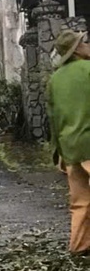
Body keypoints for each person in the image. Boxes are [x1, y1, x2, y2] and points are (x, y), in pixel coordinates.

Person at [46, 28, 90, 255]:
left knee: (80, 201)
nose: (87, 44)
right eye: (84, 42)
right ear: (77, 49)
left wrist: (58, 153)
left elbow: (52, 120)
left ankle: (79, 245)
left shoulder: (54, 80)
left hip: (70, 147)